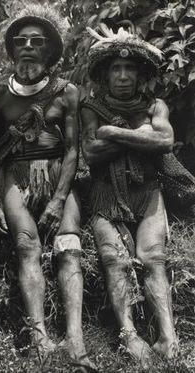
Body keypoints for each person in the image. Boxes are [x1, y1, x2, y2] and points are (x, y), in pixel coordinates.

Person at [0, 5, 95, 370]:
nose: (28, 48)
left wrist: (60, 199)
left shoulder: (67, 92)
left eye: (37, 42)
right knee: (27, 245)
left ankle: (75, 339)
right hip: (17, 177)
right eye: (21, 42)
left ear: (49, 53)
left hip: (59, 174)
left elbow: (74, 149)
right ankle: (39, 335)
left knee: (68, 248)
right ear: (12, 51)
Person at [80, 24, 178, 369]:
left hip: (147, 191)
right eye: (116, 69)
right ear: (106, 76)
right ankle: (129, 333)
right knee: (113, 258)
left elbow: (164, 142)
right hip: (106, 193)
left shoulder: (155, 106)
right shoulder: (91, 108)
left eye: (129, 69)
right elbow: (91, 152)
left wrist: (114, 131)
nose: (123, 75)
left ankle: (168, 335)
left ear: (140, 74)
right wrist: (139, 134)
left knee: (153, 256)